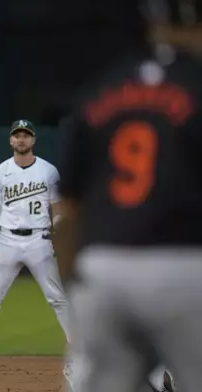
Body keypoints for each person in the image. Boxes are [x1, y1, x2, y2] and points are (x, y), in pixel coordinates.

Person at [54, 0, 202, 391]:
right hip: (185, 268)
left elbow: (67, 213)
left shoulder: (101, 91)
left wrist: (81, 290)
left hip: (104, 269)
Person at [0, 120, 75, 388]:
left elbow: (58, 207)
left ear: (33, 140)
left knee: (57, 298)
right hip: (6, 240)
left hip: (40, 240)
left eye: (26, 135)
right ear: (11, 141)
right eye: (17, 135)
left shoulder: (47, 171)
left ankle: (79, 351)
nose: (21, 139)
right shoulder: (0, 172)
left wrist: (58, 231)